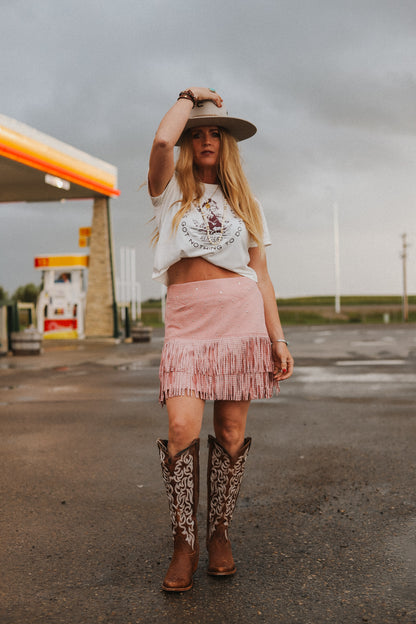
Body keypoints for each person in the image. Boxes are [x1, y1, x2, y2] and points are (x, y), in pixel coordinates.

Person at [148, 87, 294, 592]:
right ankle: (183, 544)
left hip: (240, 320)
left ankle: (219, 535)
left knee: (231, 435)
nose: (206, 139)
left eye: (215, 132)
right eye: (198, 133)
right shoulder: (169, 190)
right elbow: (161, 143)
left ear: (227, 143)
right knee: (182, 429)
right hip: (187, 324)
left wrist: (278, 340)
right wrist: (188, 97)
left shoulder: (245, 202)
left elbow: (262, 276)